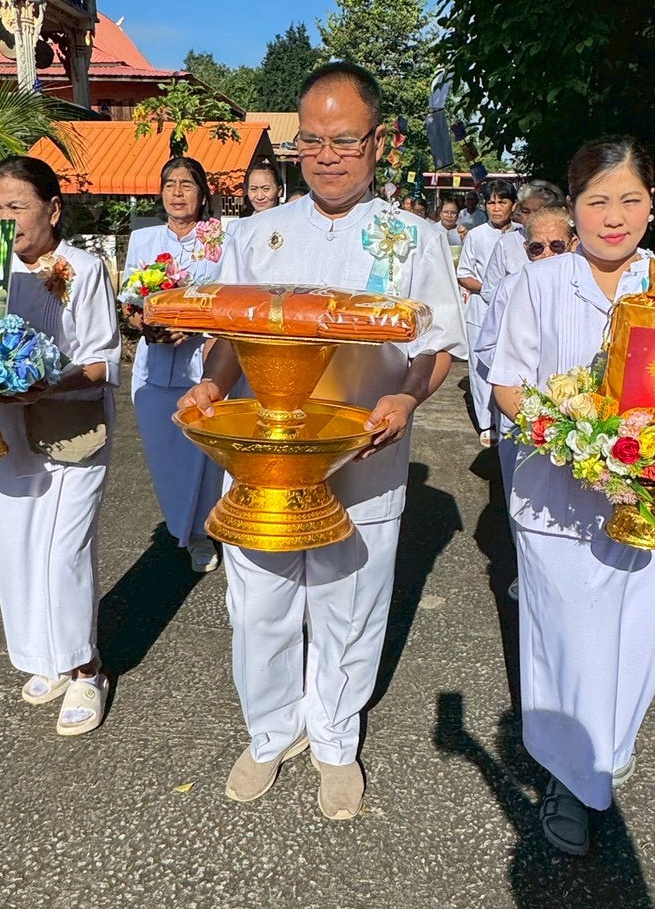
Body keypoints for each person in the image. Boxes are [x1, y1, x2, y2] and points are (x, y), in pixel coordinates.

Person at [177, 63, 466, 821]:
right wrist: (211, 381)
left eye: (345, 139)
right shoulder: (253, 235)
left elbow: (437, 343)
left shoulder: (416, 238)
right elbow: (231, 337)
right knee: (260, 601)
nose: (327, 154)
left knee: (351, 600)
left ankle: (336, 737)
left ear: (379, 141)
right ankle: (271, 730)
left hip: (366, 455)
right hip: (266, 457)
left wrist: (407, 395)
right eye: (312, 139)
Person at [489, 134, 655, 856]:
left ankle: (608, 751)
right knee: (566, 639)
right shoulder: (542, 280)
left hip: (648, 498)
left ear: (652, 202)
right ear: (573, 206)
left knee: (635, 635)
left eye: (630, 200)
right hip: (558, 493)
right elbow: (508, 384)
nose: (613, 217)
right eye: (596, 201)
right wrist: (572, 442)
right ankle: (565, 774)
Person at [0, 156, 120, 737]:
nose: (4, 219)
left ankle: (86, 669)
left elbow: (100, 361)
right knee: (17, 541)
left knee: (64, 550)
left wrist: (46, 384)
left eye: (17, 206)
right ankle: (46, 656)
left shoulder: (82, 269)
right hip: (7, 427)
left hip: (72, 425)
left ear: (52, 210)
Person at [124, 157, 225, 575]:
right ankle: (181, 528)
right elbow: (131, 301)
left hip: (203, 365)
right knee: (165, 456)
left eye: (187, 185)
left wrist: (195, 323)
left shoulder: (219, 237)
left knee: (204, 454)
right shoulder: (144, 239)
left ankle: (203, 531)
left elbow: (229, 297)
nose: (178, 193)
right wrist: (146, 326)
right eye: (170, 184)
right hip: (153, 367)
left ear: (203, 193)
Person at [474, 203, 576, 602]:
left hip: (583, 414)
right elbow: (486, 348)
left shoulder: (589, 283)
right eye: (537, 248)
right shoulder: (511, 285)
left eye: (556, 245)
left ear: (572, 242)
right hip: (524, 414)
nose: (547, 255)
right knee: (527, 501)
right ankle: (528, 571)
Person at [457, 179, 518, 444]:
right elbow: (464, 274)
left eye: (501, 202)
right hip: (482, 309)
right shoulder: (476, 235)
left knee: (510, 366)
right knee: (481, 368)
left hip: (516, 311)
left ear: (512, 205)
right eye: (491, 202)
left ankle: (509, 418)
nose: (496, 208)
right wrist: (491, 290)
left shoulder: (523, 235)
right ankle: (486, 424)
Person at [479, 181, 568, 306]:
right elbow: (489, 291)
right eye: (526, 211)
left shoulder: (566, 240)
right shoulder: (507, 243)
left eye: (539, 212)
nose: (531, 217)